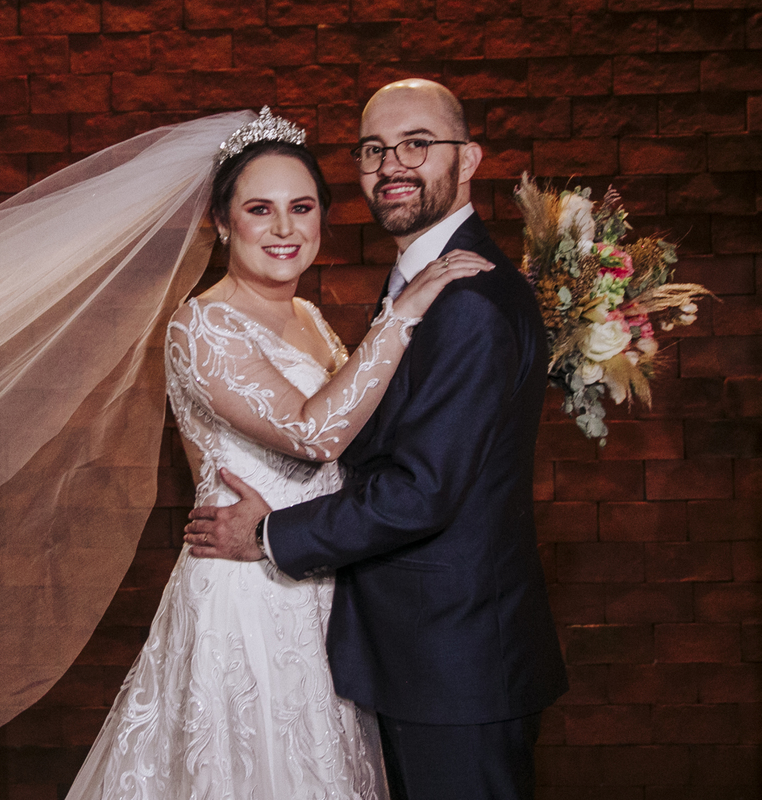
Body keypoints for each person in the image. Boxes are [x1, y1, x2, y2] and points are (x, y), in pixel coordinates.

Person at [65, 109, 492, 798]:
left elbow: (364, 437)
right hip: (246, 595)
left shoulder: (308, 317)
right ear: (222, 222)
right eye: (259, 210)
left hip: (316, 580)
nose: (284, 229)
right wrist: (406, 313)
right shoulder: (201, 326)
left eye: (302, 207)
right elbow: (315, 434)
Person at [184, 80, 569, 800]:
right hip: (370, 640)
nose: (393, 164)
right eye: (373, 149)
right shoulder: (415, 291)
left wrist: (268, 534)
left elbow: (419, 491)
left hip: (453, 659)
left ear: (468, 159)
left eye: (417, 144)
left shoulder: (466, 300)